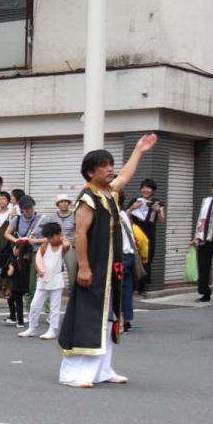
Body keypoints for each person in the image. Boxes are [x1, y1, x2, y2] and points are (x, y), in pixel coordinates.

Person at [59, 134, 157, 388]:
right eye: (104, 166)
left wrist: (139, 150)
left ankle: (103, 369)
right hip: (94, 268)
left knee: (111, 317)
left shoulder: (110, 192)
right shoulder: (87, 198)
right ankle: (72, 373)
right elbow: (80, 233)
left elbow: (125, 175)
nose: (111, 169)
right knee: (87, 316)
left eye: (111, 164)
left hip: (111, 268)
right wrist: (84, 267)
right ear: (91, 172)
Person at [19, 222, 68, 339]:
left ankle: (52, 330)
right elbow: (37, 260)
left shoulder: (63, 246)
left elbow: (66, 244)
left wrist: (62, 236)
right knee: (34, 305)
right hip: (43, 280)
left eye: (52, 237)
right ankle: (32, 328)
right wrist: (40, 270)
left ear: (59, 234)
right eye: (48, 237)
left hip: (56, 280)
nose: (50, 240)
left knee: (54, 307)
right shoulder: (45, 246)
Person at [127, 178, 165, 294]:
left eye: (148, 188)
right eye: (143, 187)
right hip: (135, 232)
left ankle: (142, 287)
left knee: (147, 259)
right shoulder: (135, 200)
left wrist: (159, 211)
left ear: (153, 190)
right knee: (133, 257)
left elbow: (162, 220)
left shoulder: (157, 203)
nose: (145, 190)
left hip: (149, 234)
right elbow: (125, 215)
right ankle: (132, 286)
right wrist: (132, 208)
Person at [116, 200, 141, 332]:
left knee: (116, 288)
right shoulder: (124, 214)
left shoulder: (114, 216)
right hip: (129, 256)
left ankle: (119, 321)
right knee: (126, 289)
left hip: (121, 256)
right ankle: (126, 321)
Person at [47, 193, 77, 286]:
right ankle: (53, 291)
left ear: (69, 204)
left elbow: (78, 232)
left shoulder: (74, 216)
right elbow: (49, 232)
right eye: (61, 202)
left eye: (65, 202)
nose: (63, 204)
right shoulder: (53, 217)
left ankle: (72, 294)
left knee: (72, 271)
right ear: (58, 204)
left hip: (70, 247)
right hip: (55, 247)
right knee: (53, 270)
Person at [4, 241, 29, 328]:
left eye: (15, 247)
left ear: (18, 250)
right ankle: (13, 317)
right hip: (24, 285)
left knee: (18, 303)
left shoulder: (14, 261)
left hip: (16, 286)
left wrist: (7, 270)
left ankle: (20, 322)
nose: (13, 248)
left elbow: (10, 273)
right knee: (11, 300)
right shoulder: (27, 261)